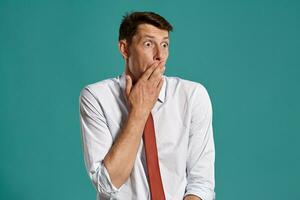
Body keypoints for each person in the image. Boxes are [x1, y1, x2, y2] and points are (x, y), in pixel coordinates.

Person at [79, 11, 215, 200]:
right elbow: (107, 185)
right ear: (125, 49)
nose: (160, 55)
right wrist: (139, 111)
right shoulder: (96, 97)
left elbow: (201, 183)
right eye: (149, 44)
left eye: (165, 44)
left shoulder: (192, 96)